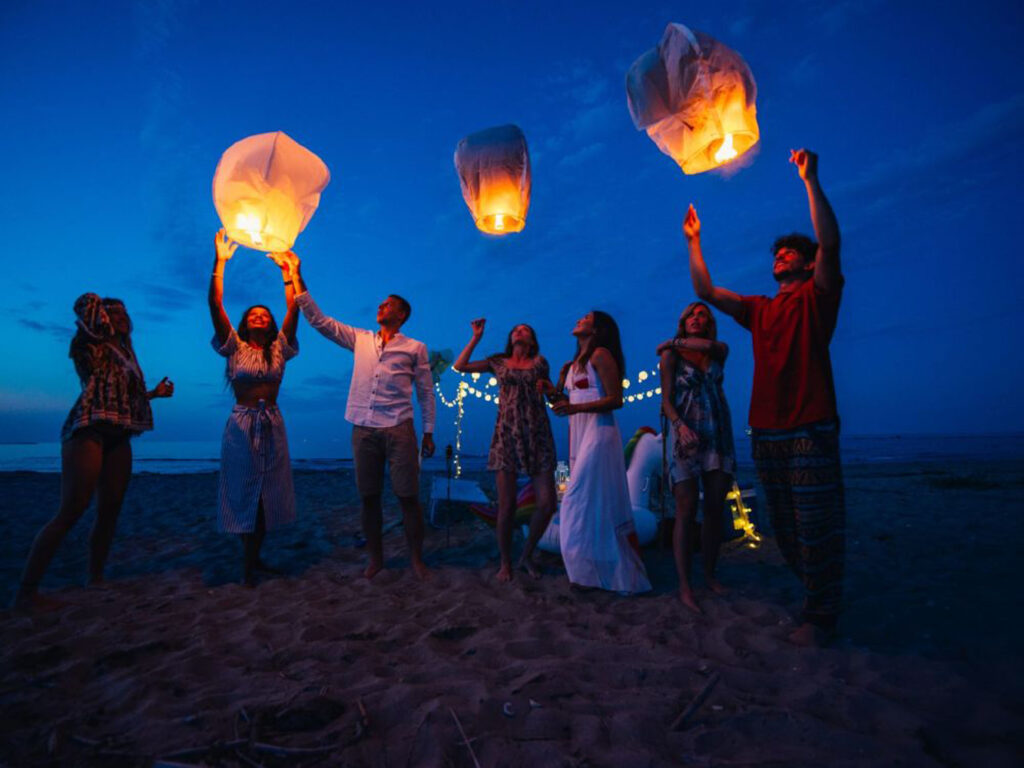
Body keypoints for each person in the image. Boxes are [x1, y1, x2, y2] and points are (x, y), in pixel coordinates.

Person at [685, 148, 844, 645]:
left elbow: (831, 245)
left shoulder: (818, 297)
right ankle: (815, 597)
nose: (781, 256)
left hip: (809, 427)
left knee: (816, 524)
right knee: (784, 528)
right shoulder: (760, 309)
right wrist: (694, 241)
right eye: (778, 253)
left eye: (791, 252)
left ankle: (819, 616)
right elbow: (707, 291)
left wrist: (810, 179)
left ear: (808, 262)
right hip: (767, 431)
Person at [279, 251, 435, 580]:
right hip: (363, 428)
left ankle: (416, 559)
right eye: (381, 303)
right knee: (369, 498)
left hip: (399, 428)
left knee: (408, 497)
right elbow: (319, 321)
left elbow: (425, 391)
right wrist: (296, 274)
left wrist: (429, 432)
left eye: (387, 304)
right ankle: (376, 559)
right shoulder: (361, 339)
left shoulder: (415, 348)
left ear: (402, 313)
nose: (380, 306)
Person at [14, 294, 174, 611]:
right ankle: (26, 593)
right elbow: (85, 305)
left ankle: (95, 577)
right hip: (89, 429)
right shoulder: (90, 344)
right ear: (100, 317)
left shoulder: (128, 353)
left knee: (110, 509)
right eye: (112, 313)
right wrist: (99, 311)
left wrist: (153, 393)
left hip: (119, 435)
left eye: (123, 313)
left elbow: (120, 395)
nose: (119, 317)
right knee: (72, 510)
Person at [209, 230, 300, 586]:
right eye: (254, 314)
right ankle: (247, 563)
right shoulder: (234, 347)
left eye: (265, 314)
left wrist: (287, 272)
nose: (260, 316)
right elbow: (215, 307)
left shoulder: (279, 348)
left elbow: (294, 308)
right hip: (242, 424)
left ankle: (255, 558)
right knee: (244, 490)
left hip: (273, 422)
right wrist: (220, 262)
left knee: (268, 493)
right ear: (245, 322)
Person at [542, 311, 651, 594]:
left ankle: (588, 571)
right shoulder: (570, 365)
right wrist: (550, 393)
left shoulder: (600, 355)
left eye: (586, 318)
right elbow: (564, 400)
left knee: (575, 498)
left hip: (599, 432)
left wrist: (574, 408)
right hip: (577, 434)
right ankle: (593, 571)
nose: (579, 319)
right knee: (592, 499)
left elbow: (616, 399)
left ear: (597, 328)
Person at [454, 319, 557, 581]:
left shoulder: (541, 363)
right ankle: (505, 562)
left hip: (537, 433)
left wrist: (552, 391)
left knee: (547, 503)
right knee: (507, 505)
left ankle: (526, 555)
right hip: (506, 435)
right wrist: (475, 337)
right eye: (515, 330)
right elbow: (460, 366)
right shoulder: (497, 362)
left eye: (525, 329)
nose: (519, 331)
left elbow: (552, 395)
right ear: (511, 339)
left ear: (532, 340)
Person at [656, 302, 735, 613]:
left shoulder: (718, 351)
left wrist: (671, 339)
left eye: (702, 315)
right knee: (685, 508)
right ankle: (685, 585)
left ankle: (710, 575)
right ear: (683, 320)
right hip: (685, 433)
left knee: (715, 508)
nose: (696, 318)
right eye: (691, 314)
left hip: (718, 433)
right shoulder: (670, 357)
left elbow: (710, 345)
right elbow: (666, 400)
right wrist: (679, 426)